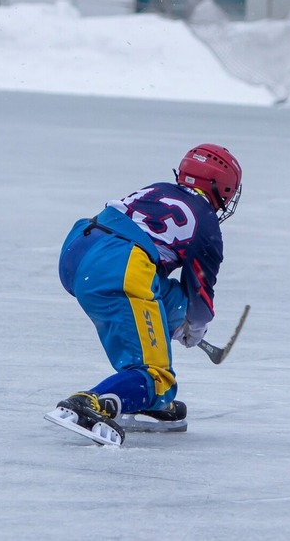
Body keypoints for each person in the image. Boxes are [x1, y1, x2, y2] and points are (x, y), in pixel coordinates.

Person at [45, 144, 242, 445]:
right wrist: (196, 327)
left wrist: (178, 321)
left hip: (79, 250)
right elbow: (200, 296)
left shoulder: (159, 189)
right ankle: (93, 401)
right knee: (158, 377)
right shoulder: (207, 224)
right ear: (222, 189)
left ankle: (146, 402)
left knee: (168, 298)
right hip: (121, 267)